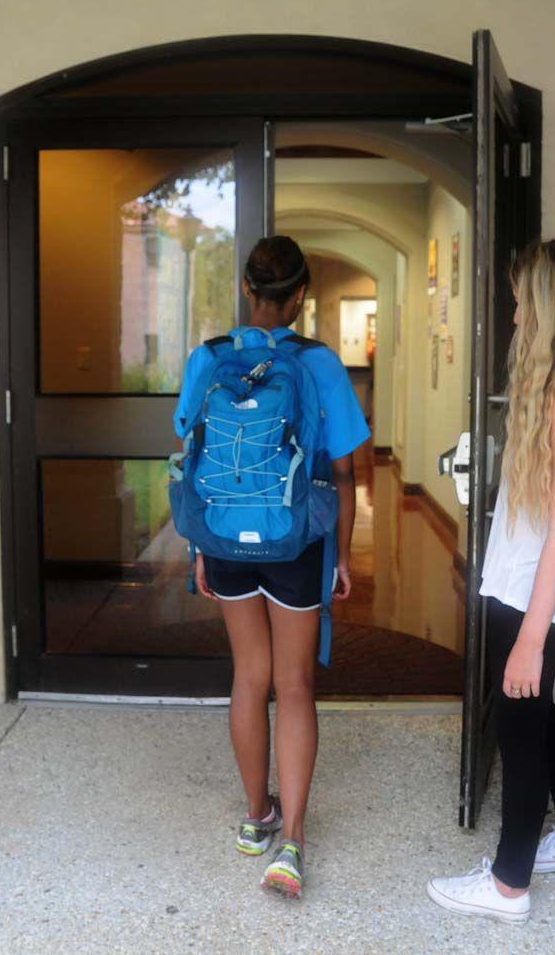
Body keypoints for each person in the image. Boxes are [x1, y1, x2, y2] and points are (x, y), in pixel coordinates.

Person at [427, 239, 555, 924]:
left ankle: (509, 885)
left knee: (518, 726)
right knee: (535, 713)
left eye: (519, 304)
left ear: (548, 308)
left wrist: (529, 640)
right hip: (546, 587)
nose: (514, 317)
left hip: (538, 596)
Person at [174, 236, 370, 898]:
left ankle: (255, 817)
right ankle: (292, 845)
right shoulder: (317, 362)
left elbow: (195, 460)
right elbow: (342, 471)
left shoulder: (208, 358)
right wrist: (342, 554)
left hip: (227, 541)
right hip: (295, 541)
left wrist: (200, 548)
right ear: (301, 294)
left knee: (248, 676)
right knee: (293, 684)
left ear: (248, 291)